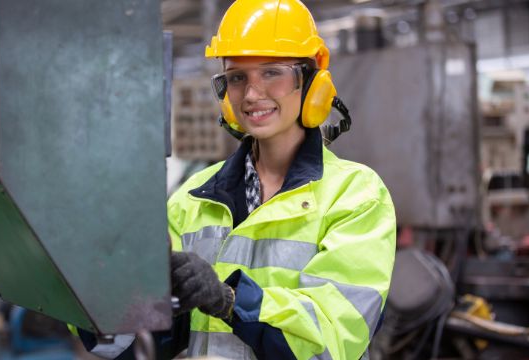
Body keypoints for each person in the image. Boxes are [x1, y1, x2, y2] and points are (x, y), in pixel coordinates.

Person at [75, 0, 396, 359]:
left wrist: (229, 299)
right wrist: (101, 290)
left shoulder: (356, 196)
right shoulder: (193, 199)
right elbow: (145, 342)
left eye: (272, 72)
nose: (252, 94)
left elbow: (333, 338)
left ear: (312, 80)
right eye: (237, 77)